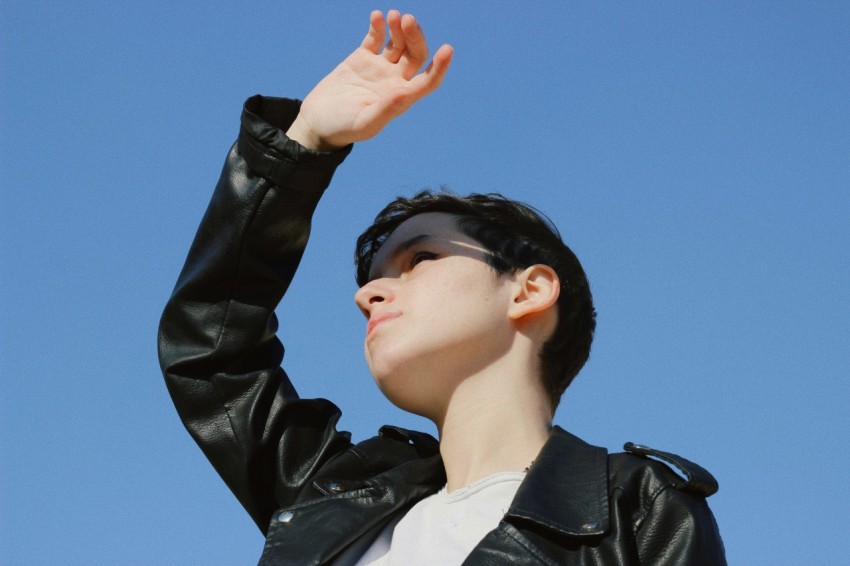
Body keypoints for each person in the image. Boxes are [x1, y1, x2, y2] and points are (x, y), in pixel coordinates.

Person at [158, 10, 725, 565]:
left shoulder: (637, 511)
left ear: (529, 290)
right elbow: (212, 347)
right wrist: (303, 141)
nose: (368, 295)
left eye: (419, 259)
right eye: (373, 277)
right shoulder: (334, 499)